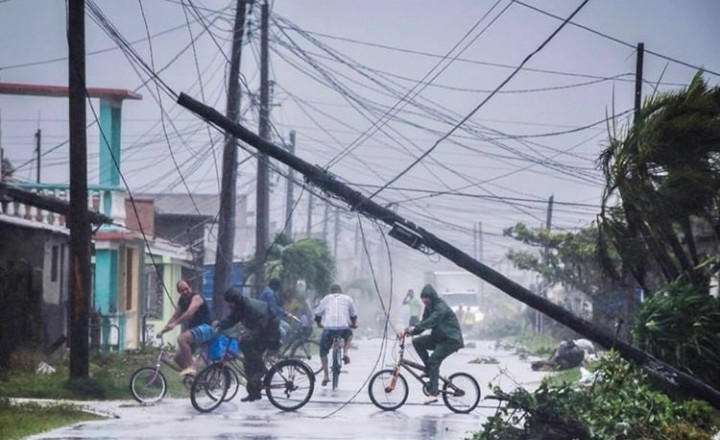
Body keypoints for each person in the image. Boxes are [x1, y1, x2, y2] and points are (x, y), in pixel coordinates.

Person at [214, 287, 281, 402]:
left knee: (247, 345)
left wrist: (252, 335)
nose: (229, 306)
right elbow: (232, 319)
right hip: (261, 330)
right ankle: (254, 392)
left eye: (230, 303)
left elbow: (262, 325)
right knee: (248, 362)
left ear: (235, 301)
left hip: (270, 332)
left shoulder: (251, 308)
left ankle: (261, 370)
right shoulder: (240, 307)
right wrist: (220, 325)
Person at [403, 283, 464, 405]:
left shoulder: (441, 307)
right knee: (417, 342)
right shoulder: (428, 307)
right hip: (438, 337)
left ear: (432, 297)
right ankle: (429, 369)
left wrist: (415, 328)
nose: (425, 302)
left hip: (450, 340)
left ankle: (434, 393)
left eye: (427, 299)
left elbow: (432, 321)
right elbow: (423, 323)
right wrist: (408, 331)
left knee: (434, 361)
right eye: (423, 299)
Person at [159, 279, 213, 376]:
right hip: (194, 332)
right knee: (178, 358)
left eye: (186, 289)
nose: (185, 292)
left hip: (206, 328)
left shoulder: (197, 297)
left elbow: (189, 313)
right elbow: (175, 316)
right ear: (179, 292)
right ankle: (196, 378)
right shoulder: (182, 301)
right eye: (182, 290)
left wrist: (175, 324)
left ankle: (191, 367)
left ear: (190, 287)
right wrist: (163, 331)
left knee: (182, 338)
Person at [314, 283, 358, 387]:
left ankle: (326, 376)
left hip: (329, 328)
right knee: (349, 334)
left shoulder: (326, 298)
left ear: (331, 291)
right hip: (343, 328)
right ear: (340, 291)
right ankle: (346, 352)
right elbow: (353, 315)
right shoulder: (347, 298)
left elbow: (317, 314)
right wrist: (354, 324)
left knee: (323, 351)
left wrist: (319, 324)